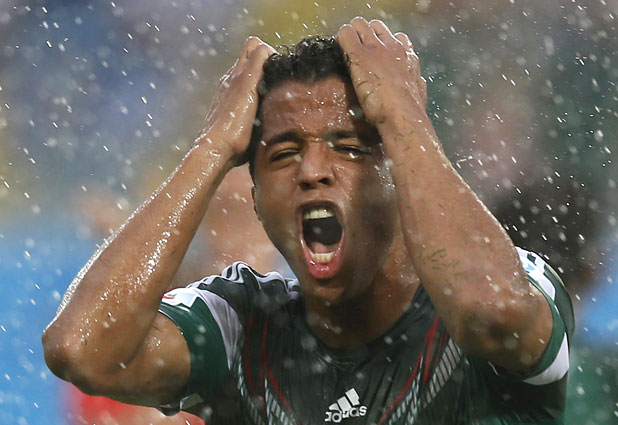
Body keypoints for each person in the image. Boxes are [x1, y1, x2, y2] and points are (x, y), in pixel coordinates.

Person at [42, 18, 573, 424]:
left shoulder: (518, 279)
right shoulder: (240, 328)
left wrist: (404, 117)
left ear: (402, 176)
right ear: (256, 200)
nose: (313, 170)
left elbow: (491, 311)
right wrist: (212, 147)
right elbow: (80, 349)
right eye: (284, 152)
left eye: (349, 147)